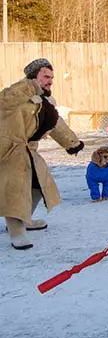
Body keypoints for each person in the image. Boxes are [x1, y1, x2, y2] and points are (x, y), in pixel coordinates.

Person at [1, 58, 85, 250]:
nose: (50, 80)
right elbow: (4, 100)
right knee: (15, 192)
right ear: (33, 76)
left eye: (52, 77)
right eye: (46, 76)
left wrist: (72, 143)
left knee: (40, 186)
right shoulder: (17, 94)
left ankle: (25, 220)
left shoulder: (45, 100)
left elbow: (55, 124)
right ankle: (16, 232)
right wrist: (29, 87)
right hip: (9, 151)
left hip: (29, 150)